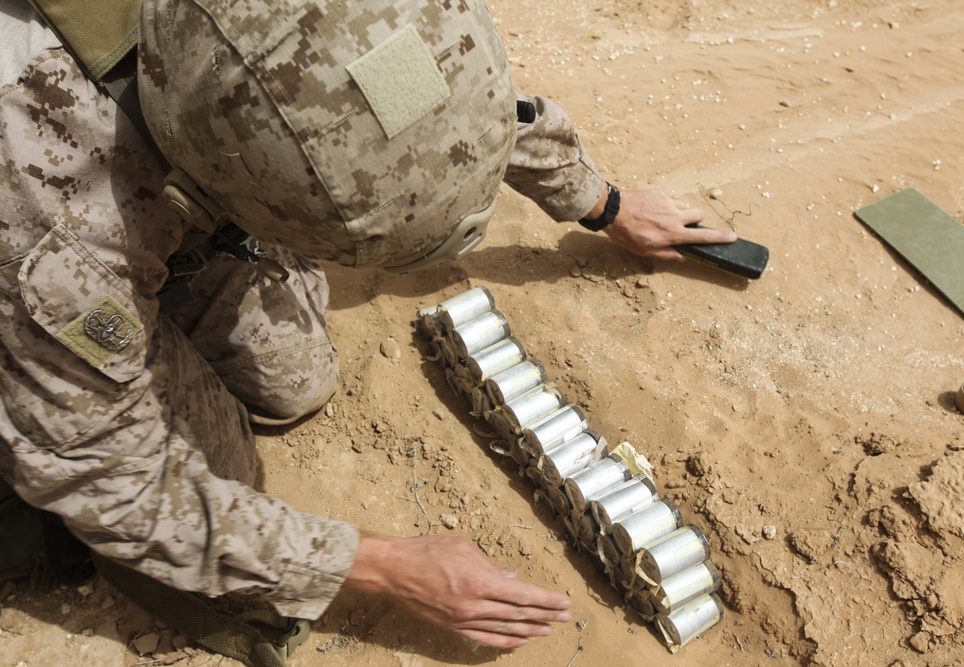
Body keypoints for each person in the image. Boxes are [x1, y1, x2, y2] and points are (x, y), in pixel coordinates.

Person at [0, 0, 735, 652]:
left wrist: (600, 201)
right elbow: (116, 479)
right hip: (41, 233)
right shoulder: (54, 206)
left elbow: (419, 94)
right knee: (213, 494)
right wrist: (379, 564)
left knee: (294, 380)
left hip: (154, 159)